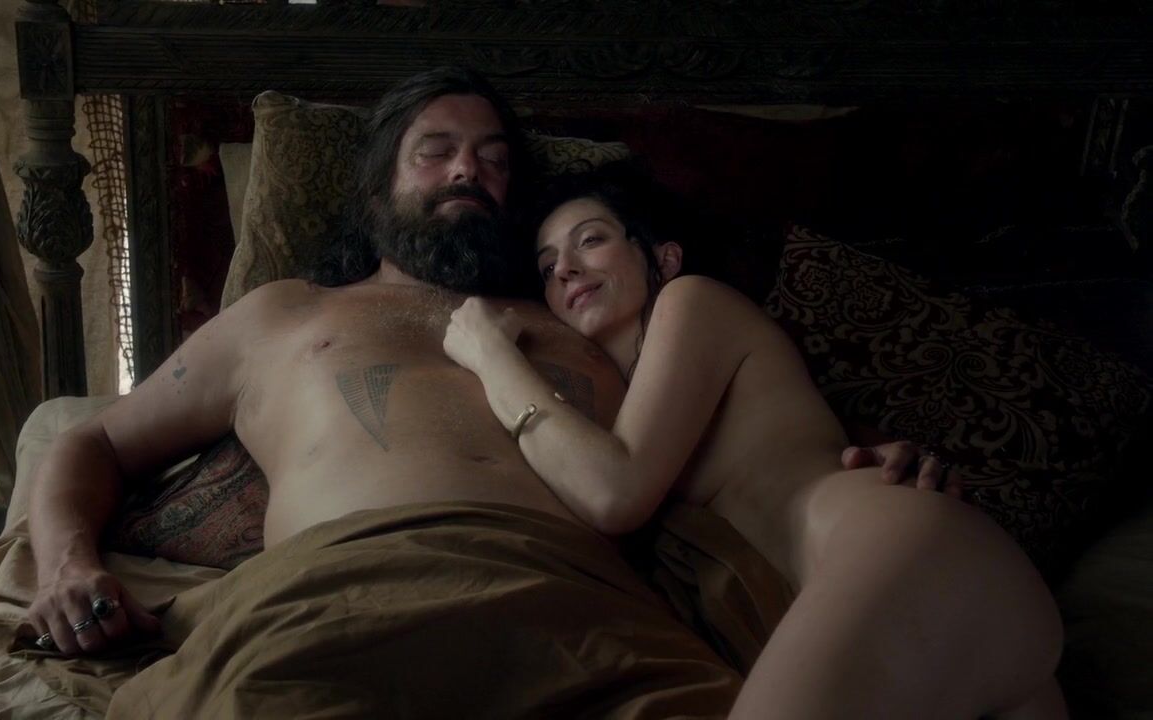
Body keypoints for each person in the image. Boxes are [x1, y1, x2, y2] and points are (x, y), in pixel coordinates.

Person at [24, 66, 940, 717]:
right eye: (437, 152)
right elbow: (89, 440)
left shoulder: (583, 320)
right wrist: (67, 563)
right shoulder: (285, 313)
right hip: (339, 600)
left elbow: (731, 414)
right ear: (378, 186)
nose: (470, 170)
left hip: (593, 618)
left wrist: (856, 458)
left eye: (495, 159)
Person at [442, 163, 1066, 718]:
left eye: (590, 240)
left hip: (906, 559)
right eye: (548, 266)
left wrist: (492, 355)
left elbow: (614, 492)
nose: (566, 269)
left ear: (664, 258)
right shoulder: (623, 409)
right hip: (923, 601)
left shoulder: (692, 301)